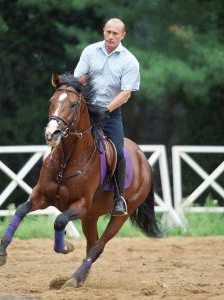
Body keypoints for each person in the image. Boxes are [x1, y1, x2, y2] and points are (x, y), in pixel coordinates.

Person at [74, 18, 140, 216]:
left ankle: (119, 198)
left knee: (118, 153)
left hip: (110, 114)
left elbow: (126, 93)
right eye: (108, 32)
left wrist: (107, 110)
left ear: (123, 35)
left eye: (115, 33)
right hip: (86, 109)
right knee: (64, 138)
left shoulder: (130, 61)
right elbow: (79, 79)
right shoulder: (89, 51)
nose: (111, 36)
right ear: (103, 31)